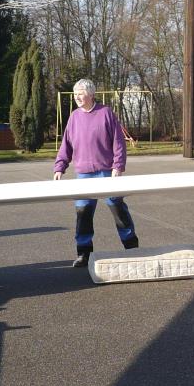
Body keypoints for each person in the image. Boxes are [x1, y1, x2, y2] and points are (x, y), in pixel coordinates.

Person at [53, 79, 139, 267]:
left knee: (118, 209)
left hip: (107, 172)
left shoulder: (106, 113)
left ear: (91, 95)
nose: (77, 97)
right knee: (83, 213)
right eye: (75, 94)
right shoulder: (74, 117)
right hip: (84, 174)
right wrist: (60, 167)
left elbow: (118, 142)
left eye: (81, 93)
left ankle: (131, 247)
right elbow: (66, 145)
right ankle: (84, 253)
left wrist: (118, 166)